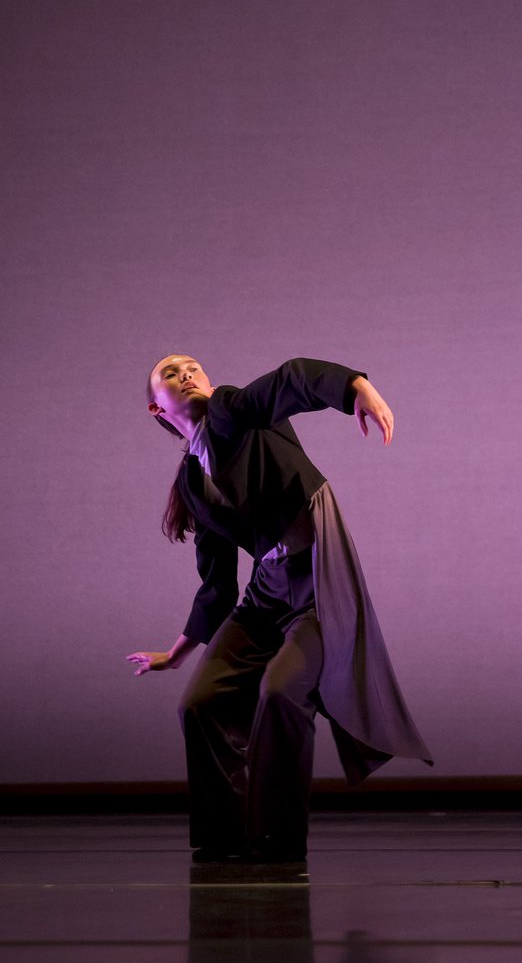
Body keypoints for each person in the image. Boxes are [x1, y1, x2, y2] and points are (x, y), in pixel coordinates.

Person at [128, 354, 432, 863]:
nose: (186, 373)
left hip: (316, 583)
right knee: (198, 704)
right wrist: (175, 654)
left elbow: (289, 381)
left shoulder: (231, 410)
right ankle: (223, 838)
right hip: (266, 594)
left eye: (192, 366)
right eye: (170, 374)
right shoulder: (193, 482)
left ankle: (277, 840)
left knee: (281, 690)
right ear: (157, 409)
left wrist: (356, 387)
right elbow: (217, 582)